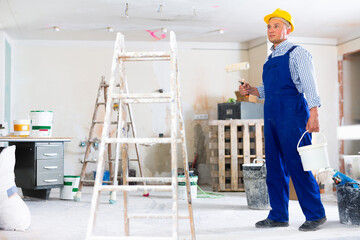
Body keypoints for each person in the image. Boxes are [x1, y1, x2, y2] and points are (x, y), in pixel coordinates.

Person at [238, 8, 326, 231]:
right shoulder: (271, 57)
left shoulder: (298, 53)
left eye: (276, 26)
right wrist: (253, 90)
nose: (271, 30)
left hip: (292, 113)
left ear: (288, 30)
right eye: (269, 26)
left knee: (299, 164)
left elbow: (309, 84)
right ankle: (278, 214)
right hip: (271, 115)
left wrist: (314, 111)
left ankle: (315, 214)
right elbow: (269, 90)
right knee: (275, 166)